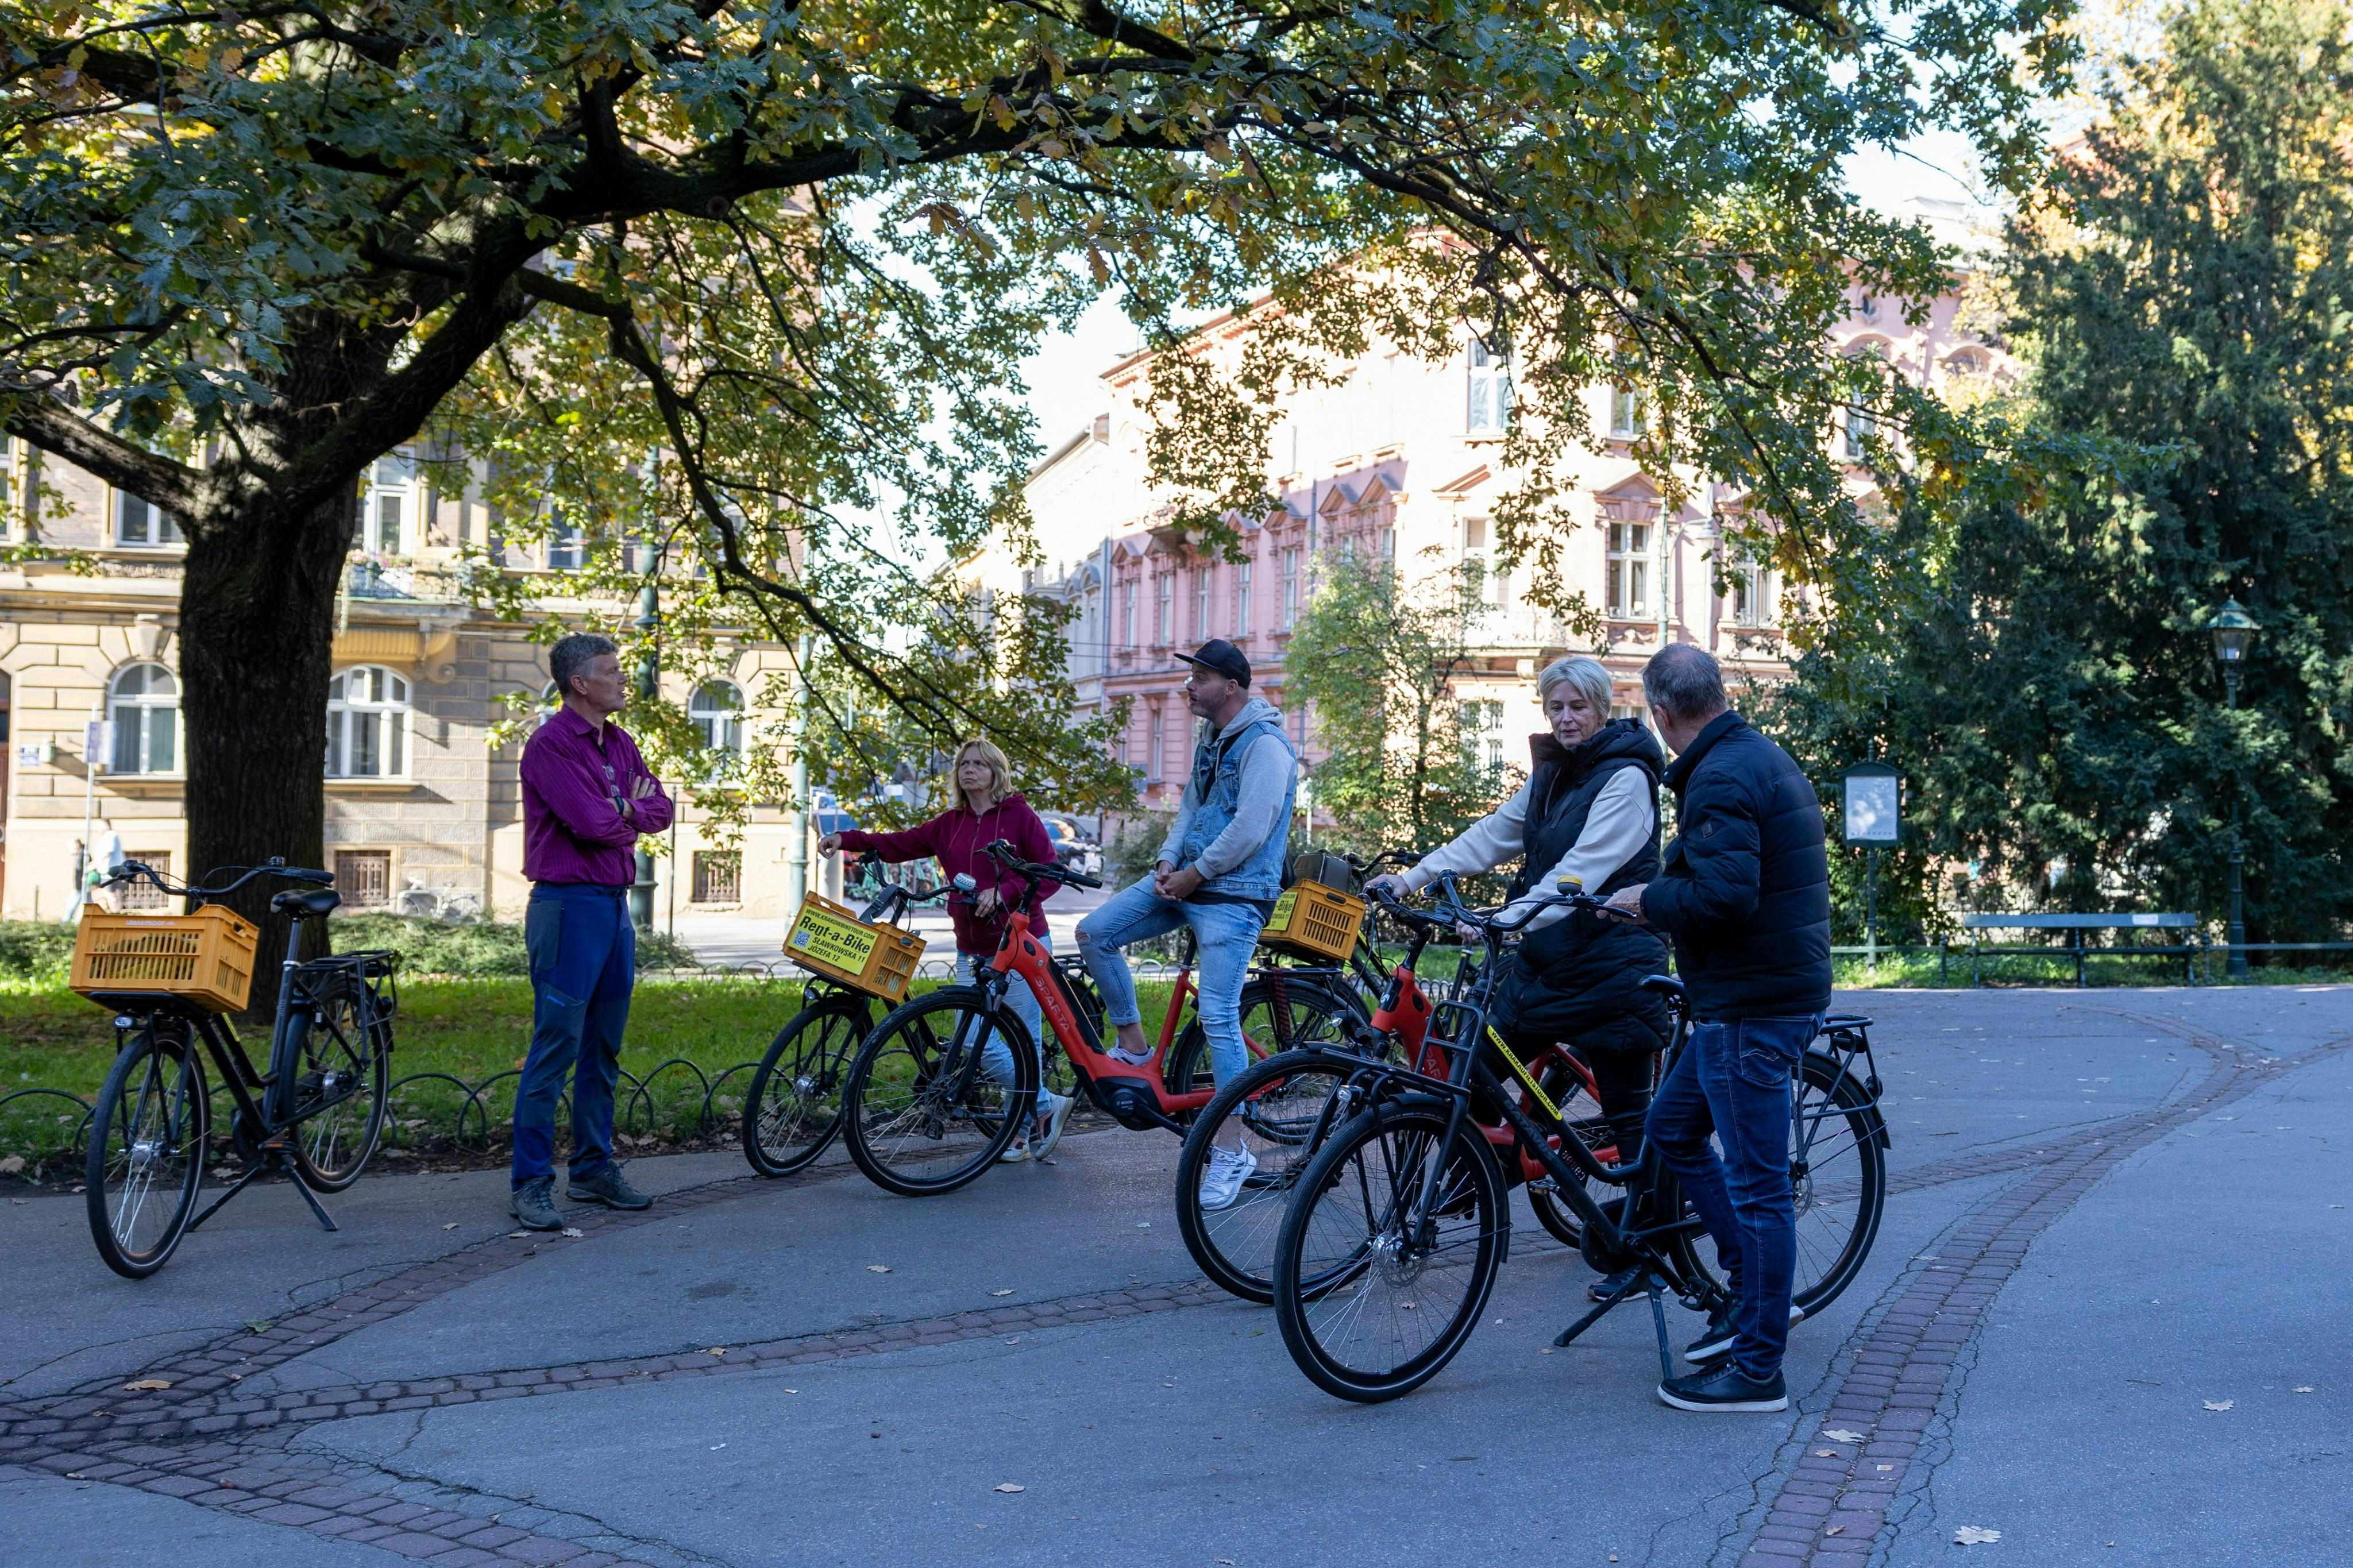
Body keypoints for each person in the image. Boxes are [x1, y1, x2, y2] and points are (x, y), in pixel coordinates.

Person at [1365, 654, 1670, 1295]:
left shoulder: (1626, 780)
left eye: (1576, 706)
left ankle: (1650, 1245)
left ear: (1600, 707)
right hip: (1549, 963)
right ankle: (1490, 1168)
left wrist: (1508, 918)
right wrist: (1413, 877)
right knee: (1472, 1077)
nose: (1564, 718)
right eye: (1555, 707)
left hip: (1616, 967)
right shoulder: (1554, 776)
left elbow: (1581, 873)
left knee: (1631, 1124)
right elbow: (1490, 836)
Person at [1606, 643, 1831, 1413]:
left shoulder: (1724, 773)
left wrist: (1648, 901)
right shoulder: (1749, 756)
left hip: (1751, 1004)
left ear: (1662, 715)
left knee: (1759, 1187)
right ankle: (1748, 1288)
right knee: (1671, 1128)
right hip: (1752, 995)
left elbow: (1726, 896)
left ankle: (1758, 1365)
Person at [1076, 639, 1295, 1211]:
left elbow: (1252, 825)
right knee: (1095, 933)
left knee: (1217, 1012)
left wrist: (1196, 873)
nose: (1188, 687)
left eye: (1199, 677)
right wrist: (1168, 862)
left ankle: (1230, 1151)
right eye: (1190, 677)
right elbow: (1190, 810)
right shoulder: (1212, 739)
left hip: (1234, 895)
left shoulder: (1265, 745)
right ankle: (1133, 1047)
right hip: (1188, 879)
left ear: (1232, 684)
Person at [821, 738, 1075, 1161]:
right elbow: (899, 842)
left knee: (1022, 1041)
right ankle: (1046, 1104)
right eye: (964, 764)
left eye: (978, 764)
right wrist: (846, 838)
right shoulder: (949, 824)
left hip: (1018, 946)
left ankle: (1022, 1127)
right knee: (976, 1039)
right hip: (971, 949)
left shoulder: (1019, 817)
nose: (969, 770)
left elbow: (1050, 873)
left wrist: (1006, 890)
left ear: (996, 771)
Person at [508, 632, 674, 1231]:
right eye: (611, 671)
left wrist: (625, 809)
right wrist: (625, 810)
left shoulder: (620, 741)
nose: (623, 680)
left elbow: (660, 808)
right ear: (581, 683)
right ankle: (529, 1183)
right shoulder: (551, 745)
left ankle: (591, 1170)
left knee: (602, 1046)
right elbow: (591, 823)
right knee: (555, 1045)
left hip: (611, 908)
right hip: (566, 907)